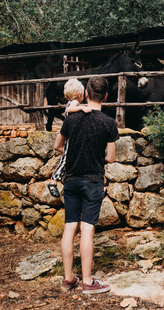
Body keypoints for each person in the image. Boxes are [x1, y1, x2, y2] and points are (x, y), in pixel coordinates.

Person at [54, 76, 118, 294]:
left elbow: (57, 146)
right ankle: (88, 282)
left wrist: (74, 154)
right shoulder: (109, 123)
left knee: (70, 227)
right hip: (93, 181)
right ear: (106, 97)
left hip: (71, 180)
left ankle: (68, 278)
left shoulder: (71, 119)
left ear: (87, 94)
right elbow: (110, 158)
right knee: (88, 229)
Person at [47, 78, 91, 198]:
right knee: (65, 159)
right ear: (79, 94)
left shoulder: (70, 102)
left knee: (69, 158)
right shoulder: (74, 103)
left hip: (70, 134)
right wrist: (82, 108)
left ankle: (63, 179)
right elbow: (70, 109)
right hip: (71, 136)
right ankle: (53, 182)